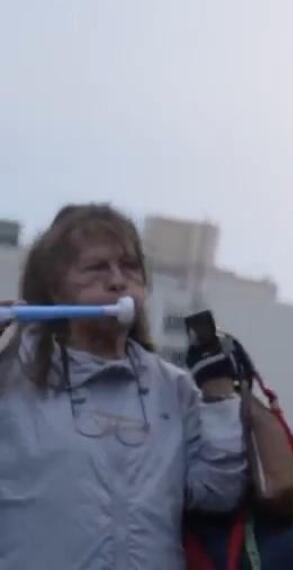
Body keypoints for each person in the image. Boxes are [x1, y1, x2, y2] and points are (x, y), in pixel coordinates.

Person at [0, 204, 250, 569]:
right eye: (97, 268)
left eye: (130, 267)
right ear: (55, 289)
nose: (118, 281)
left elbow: (219, 492)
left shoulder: (175, 389)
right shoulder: (10, 377)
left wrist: (220, 398)